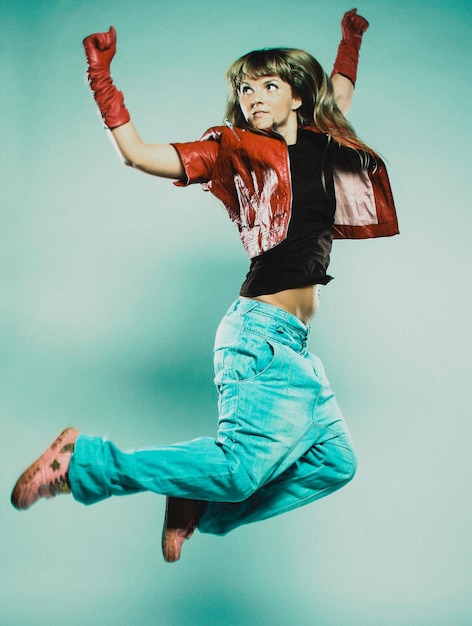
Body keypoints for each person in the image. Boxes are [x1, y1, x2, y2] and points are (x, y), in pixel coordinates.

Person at [10, 9, 398, 563]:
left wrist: (349, 40)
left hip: (294, 347)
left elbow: (339, 92)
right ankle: (84, 462)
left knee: (335, 462)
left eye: (269, 85)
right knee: (240, 469)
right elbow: (137, 154)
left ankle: (199, 503)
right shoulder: (232, 151)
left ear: (297, 96)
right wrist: (101, 78)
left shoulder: (320, 142)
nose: (254, 97)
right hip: (257, 337)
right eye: (245, 88)